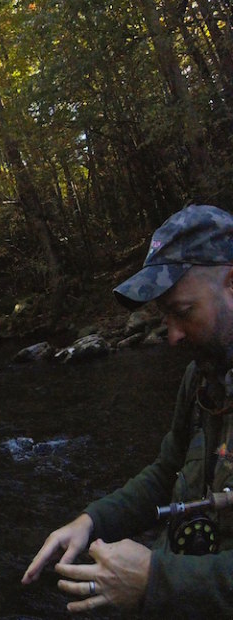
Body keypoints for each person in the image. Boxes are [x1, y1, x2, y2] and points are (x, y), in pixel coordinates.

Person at [22, 204, 233, 616]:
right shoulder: (202, 377)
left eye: (183, 312)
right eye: (164, 316)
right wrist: (91, 521)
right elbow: (166, 473)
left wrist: (159, 582)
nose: (171, 335)